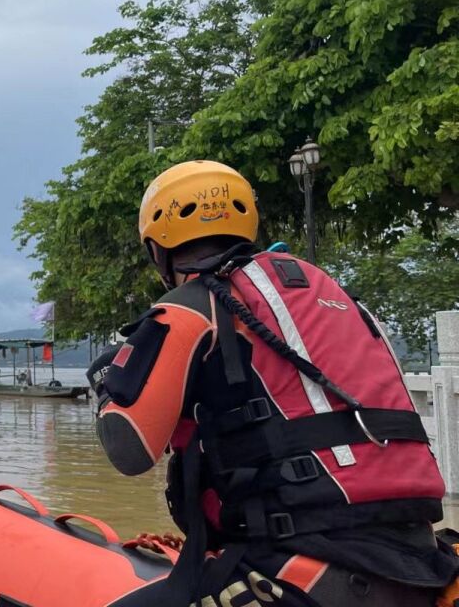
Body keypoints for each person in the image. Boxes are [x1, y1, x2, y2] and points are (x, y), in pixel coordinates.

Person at [86, 160, 459, 606]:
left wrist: (109, 382)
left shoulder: (188, 307)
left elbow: (127, 450)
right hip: (417, 558)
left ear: (158, 250)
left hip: (309, 566)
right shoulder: (340, 301)